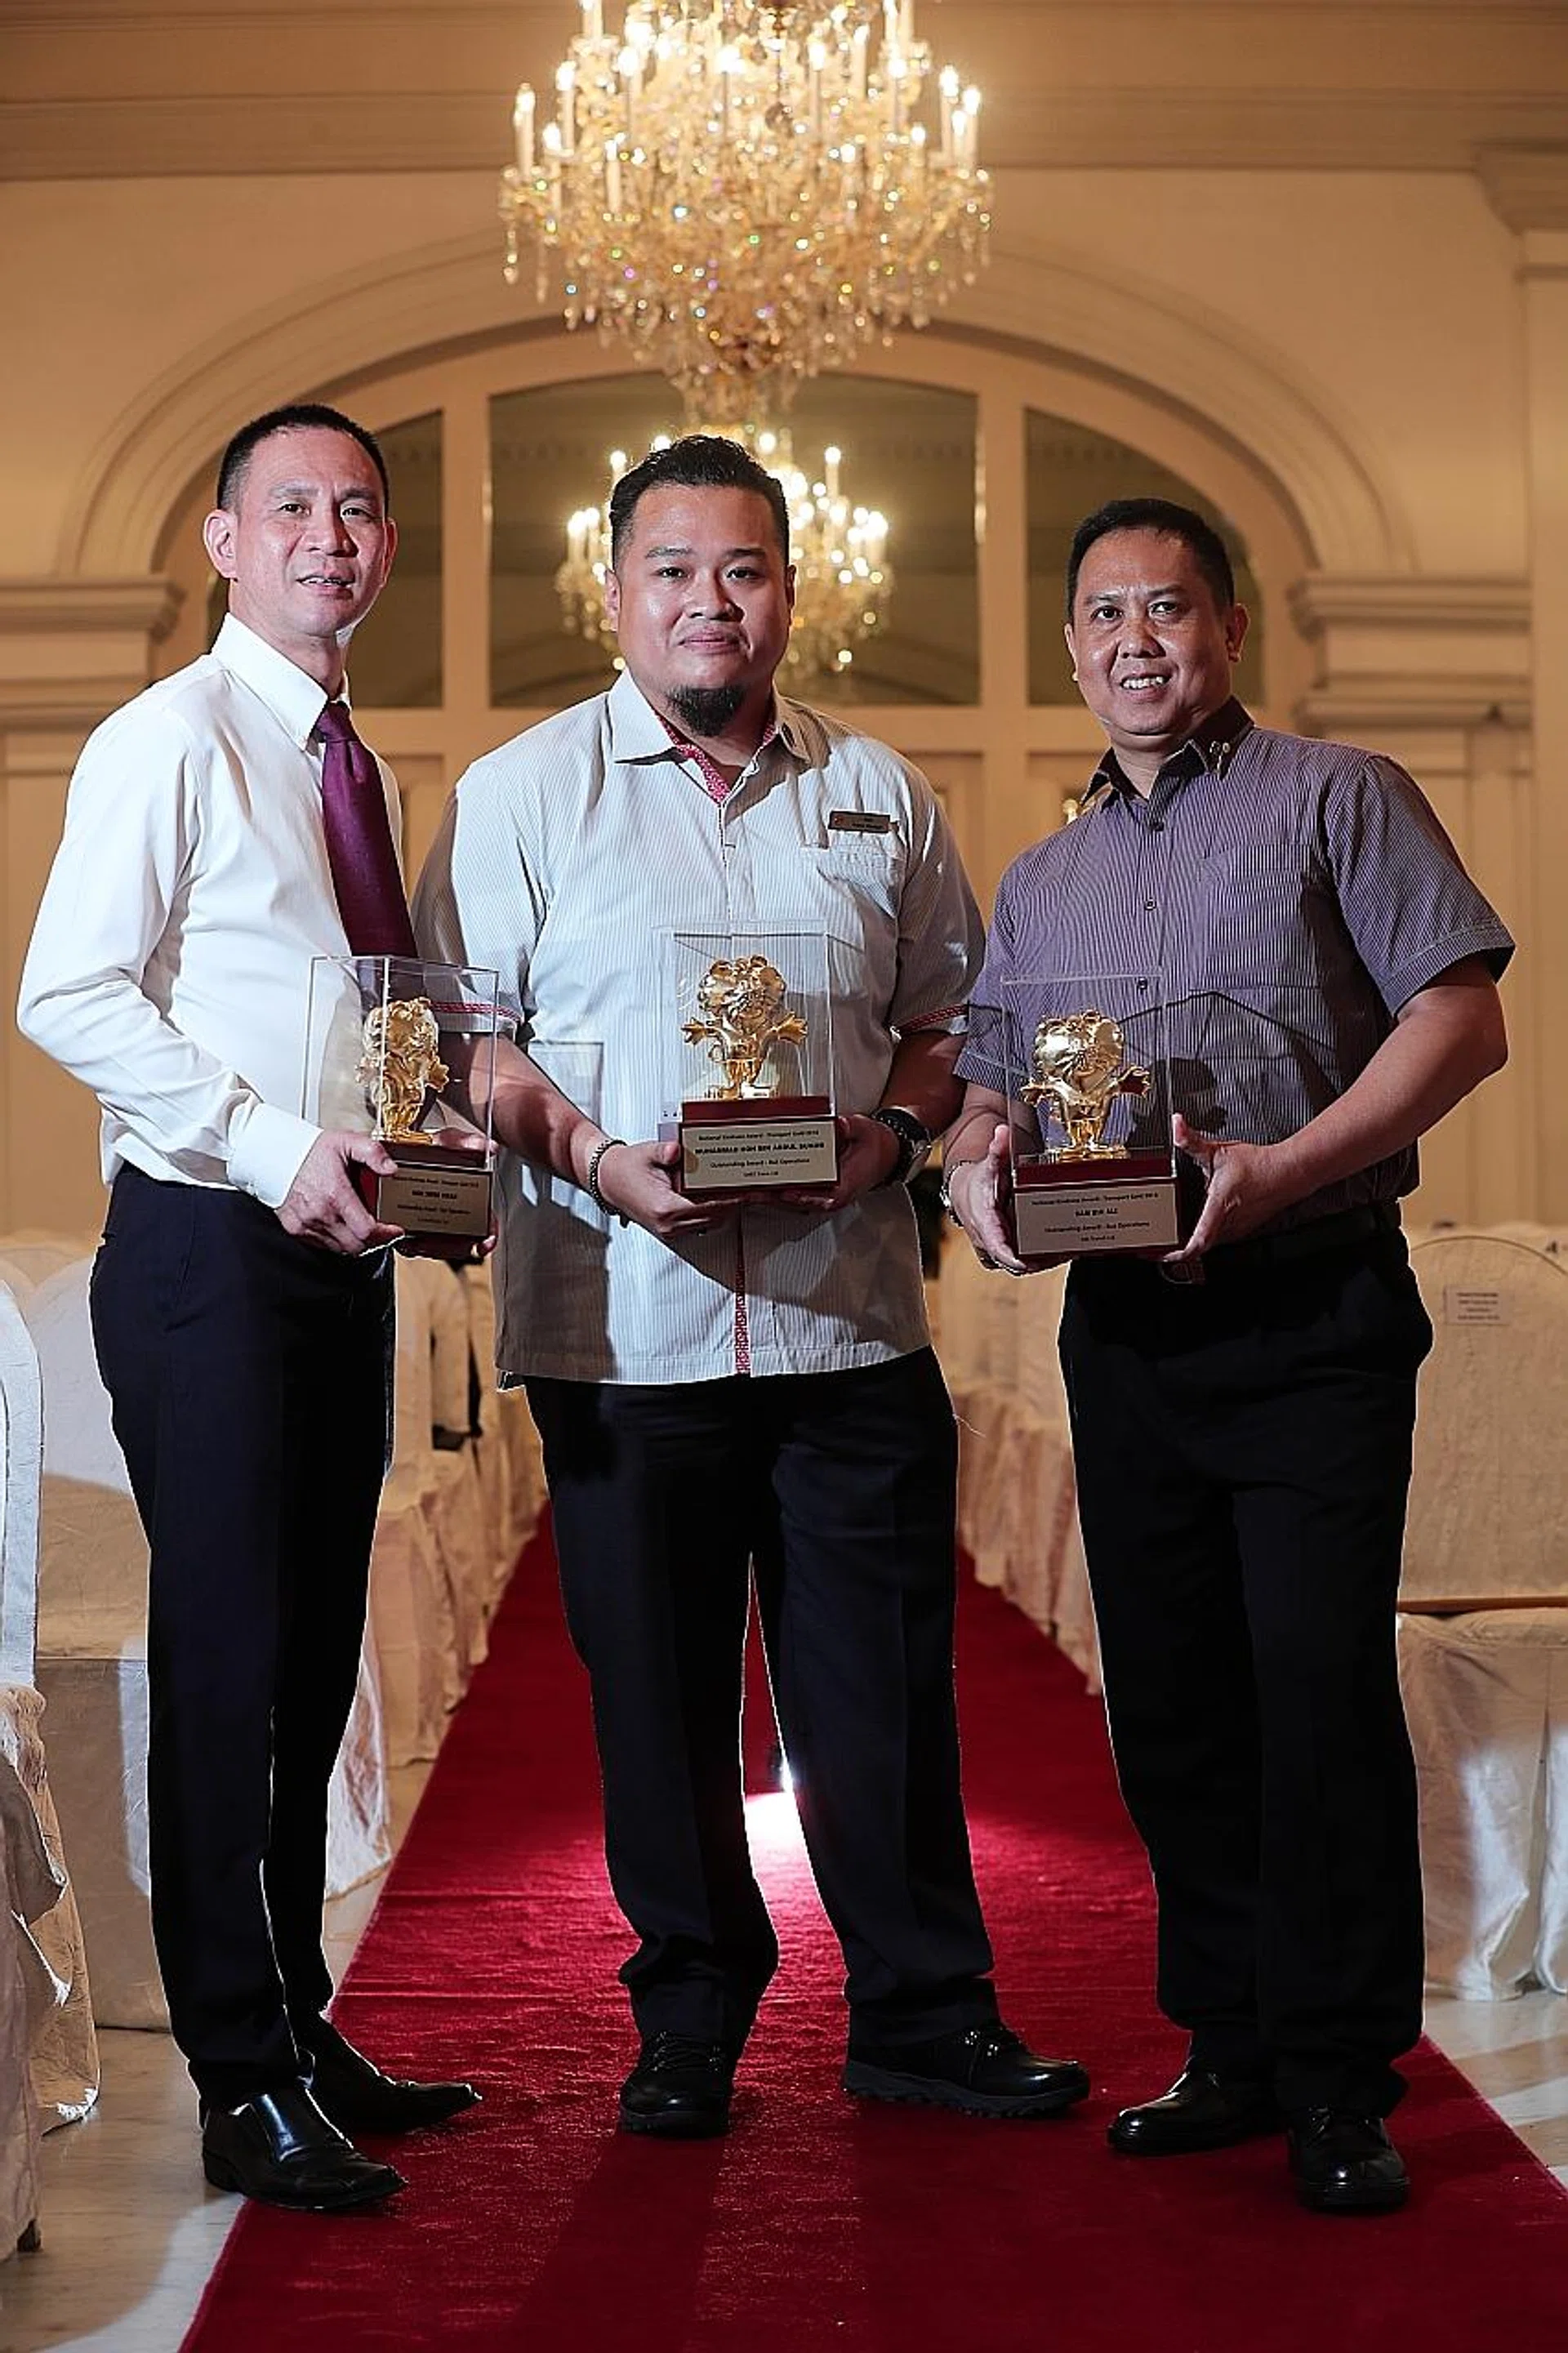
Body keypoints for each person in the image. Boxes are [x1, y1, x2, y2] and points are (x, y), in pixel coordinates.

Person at [414, 433, 1089, 2140]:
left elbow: (955, 1027)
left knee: (880, 1693)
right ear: (617, 591)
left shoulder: (885, 794)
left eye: (744, 570)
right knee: (654, 1697)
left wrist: (891, 1139)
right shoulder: (515, 796)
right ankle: (690, 2018)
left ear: (792, 590)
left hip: (845, 1315)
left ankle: (923, 2015)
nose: (710, 602)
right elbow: (467, 1043)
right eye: (674, 570)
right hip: (618, 1325)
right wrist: (583, 1153)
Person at [943, 495, 1512, 2214]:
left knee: (1314, 1691)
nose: (1138, 641)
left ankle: (1343, 2076)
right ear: (1069, 646)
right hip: (1125, 1327)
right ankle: (1234, 2043)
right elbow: (983, 1092)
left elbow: (1464, 1018)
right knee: (1174, 1704)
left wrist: (1281, 1174)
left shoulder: (1339, 796)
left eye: (1170, 610)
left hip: (1317, 1306)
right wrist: (975, 1186)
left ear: (1230, 629)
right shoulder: (1042, 878)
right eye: (1105, 614)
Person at [18, 403, 479, 2213]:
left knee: (306, 1659)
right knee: (223, 1666)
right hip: (207, 1252)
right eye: (291, 509)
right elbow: (68, 993)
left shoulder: (352, 760)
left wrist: (418, 1148)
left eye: (360, 512)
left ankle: (299, 2018)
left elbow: (344, 1013)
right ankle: (236, 2071)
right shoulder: (172, 737)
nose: (331, 539)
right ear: (224, 542)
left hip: (336, 1250)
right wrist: (271, 1135)